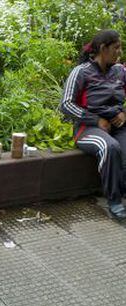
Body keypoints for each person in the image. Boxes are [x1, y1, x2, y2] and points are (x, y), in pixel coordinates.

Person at [60, 29, 126, 219]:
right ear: (103, 49)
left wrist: (124, 113)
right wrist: (96, 120)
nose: (119, 53)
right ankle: (114, 201)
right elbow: (65, 105)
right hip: (88, 128)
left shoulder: (120, 71)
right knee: (110, 147)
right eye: (116, 48)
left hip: (119, 126)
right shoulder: (81, 72)